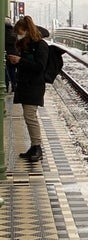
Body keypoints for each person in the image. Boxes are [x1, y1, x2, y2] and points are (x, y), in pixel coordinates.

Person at [9, 16, 49, 162]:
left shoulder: (40, 45)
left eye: (20, 32)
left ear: (27, 30)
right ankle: (33, 146)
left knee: (30, 117)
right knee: (28, 117)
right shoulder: (26, 44)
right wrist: (15, 62)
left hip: (34, 86)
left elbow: (39, 67)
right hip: (26, 85)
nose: (19, 35)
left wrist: (20, 61)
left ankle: (37, 147)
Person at [5, 18, 18, 93]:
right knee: (12, 71)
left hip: (7, 54)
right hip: (15, 54)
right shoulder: (14, 32)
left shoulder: (3, 33)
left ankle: (6, 87)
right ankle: (14, 85)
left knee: (6, 72)